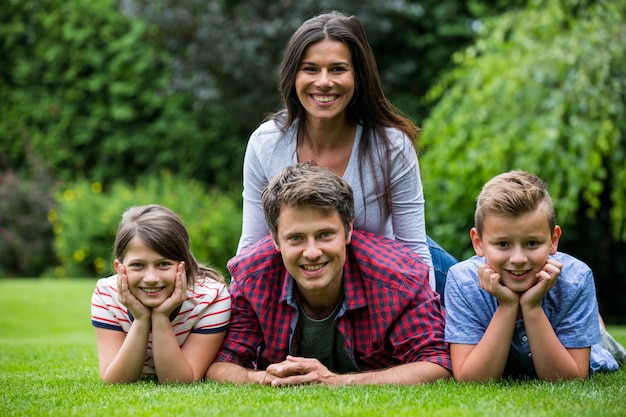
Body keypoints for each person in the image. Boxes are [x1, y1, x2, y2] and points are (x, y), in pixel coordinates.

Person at [237, 10, 456, 297]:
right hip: (317, 285)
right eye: (311, 69)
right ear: (293, 76)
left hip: (390, 277)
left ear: (358, 77)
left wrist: (420, 314)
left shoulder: (390, 146)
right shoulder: (266, 144)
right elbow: (253, 247)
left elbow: (414, 250)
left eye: (338, 69)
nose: (324, 81)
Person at [206, 162, 451, 386]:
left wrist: (337, 381)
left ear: (348, 230)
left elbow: (436, 364)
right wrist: (263, 378)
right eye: (296, 238)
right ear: (275, 240)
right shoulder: (253, 277)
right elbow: (220, 366)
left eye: (325, 235)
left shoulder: (397, 278)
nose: (312, 252)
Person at [444, 171, 625, 382]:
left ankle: (595, 323)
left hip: (589, 346)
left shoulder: (576, 278)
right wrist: (507, 305)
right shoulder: (462, 280)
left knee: (603, 343)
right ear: (478, 243)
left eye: (532, 243)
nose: (519, 259)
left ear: (553, 240)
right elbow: (471, 380)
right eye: (503, 244)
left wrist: (531, 306)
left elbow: (570, 379)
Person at [91, 204, 231, 384]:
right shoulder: (106, 295)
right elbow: (115, 381)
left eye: (163, 264)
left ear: (185, 265)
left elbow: (178, 381)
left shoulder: (211, 298)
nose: (151, 278)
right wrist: (141, 319)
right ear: (120, 269)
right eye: (138, 265)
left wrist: (161, 317)